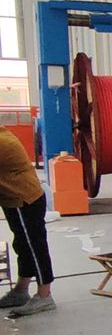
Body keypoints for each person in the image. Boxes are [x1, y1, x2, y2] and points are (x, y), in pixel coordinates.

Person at [0, 126, 56, 316]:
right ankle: (21, 291)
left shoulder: (3, 142)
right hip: (14, 198)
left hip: (24, 199)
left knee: (34, 247)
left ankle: (45, 296)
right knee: (23, 245)